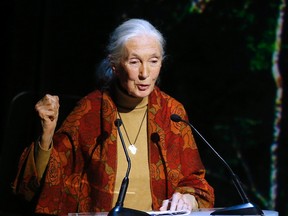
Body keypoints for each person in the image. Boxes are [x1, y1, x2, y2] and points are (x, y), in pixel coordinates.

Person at [12, 18, 214, 215]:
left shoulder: (172, 113)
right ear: (115, 65)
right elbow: (39, 185)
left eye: (154, 61)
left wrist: (188, 199)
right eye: (134, 62)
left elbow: (194, 182)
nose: (145, 73)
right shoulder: (90, 110)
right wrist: (46, 134)